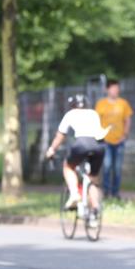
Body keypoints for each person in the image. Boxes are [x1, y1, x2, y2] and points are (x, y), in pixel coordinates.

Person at [45, 94, 108, 226]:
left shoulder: (70, 114)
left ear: (72, 105)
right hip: (99, 146)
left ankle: (74, 194)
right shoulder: (93, 113)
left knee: (68, 167)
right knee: (93, 178)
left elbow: (60, 135)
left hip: (82, 144)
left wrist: (52, 149)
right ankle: (95, 211)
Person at [94, 79, 133, 200]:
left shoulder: (123, 103)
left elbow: (127, 120)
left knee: (117, 168)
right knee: (106, 167)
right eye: (113, 88)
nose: (116, 90)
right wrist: (100, 135)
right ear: (107, 89)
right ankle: (106, 193)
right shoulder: (101, 104)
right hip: (105, 141)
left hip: (119, 141)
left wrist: (125, 134)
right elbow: (96, 121)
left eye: (117, 88)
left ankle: (115, 193)